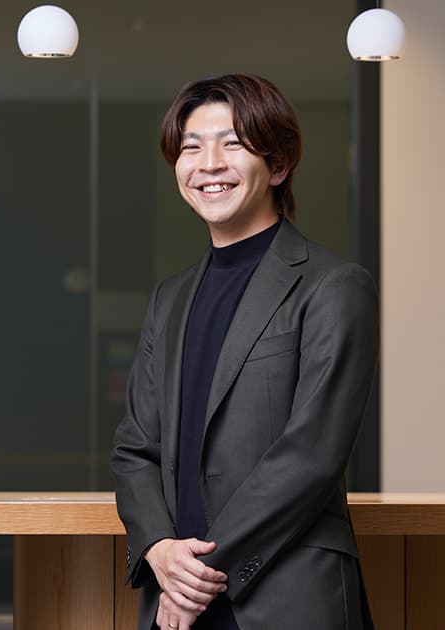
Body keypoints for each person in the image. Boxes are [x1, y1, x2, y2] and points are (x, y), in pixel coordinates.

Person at [110, 74, 378, 630]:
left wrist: (199, 577)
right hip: (174, 595)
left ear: (278, 165)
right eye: (191, 147)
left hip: (285, 595)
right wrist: (159, 548)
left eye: (232, 143)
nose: (209, 164)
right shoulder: (169, 298)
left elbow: (312, 454)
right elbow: (135, 449)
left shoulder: (332, 285)